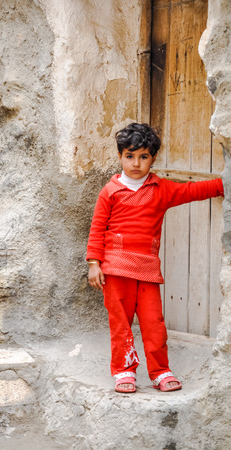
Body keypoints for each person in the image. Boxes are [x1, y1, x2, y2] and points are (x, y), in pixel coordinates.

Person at [86, 122, 224, 393]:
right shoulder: (110, 191)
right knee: (121, 324)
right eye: (129, 156)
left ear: (153, 158)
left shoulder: (162, 190)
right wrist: (94, 263)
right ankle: (124, 370)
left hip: (147, 270)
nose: (136, 163)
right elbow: (97, 227)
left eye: (143, 156)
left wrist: (224, 183)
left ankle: (161, 371)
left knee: (154, 324)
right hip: (115, 270)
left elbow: (193, 191)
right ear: (120, 156)